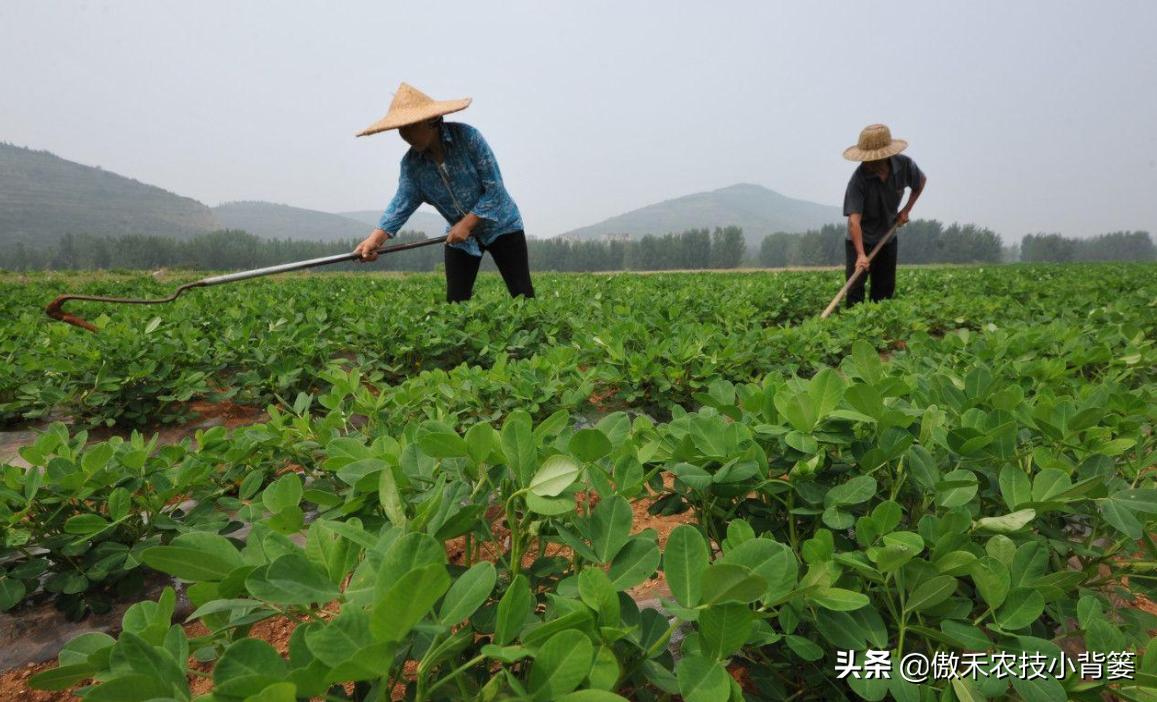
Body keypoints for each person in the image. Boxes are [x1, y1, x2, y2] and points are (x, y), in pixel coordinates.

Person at [353, 83, 535, 303]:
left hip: (503, 225)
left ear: (432, 120)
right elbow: (400, 205)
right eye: (401, 128)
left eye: (411, 126)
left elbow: (495, 191)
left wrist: (467, 224)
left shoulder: (468, 138)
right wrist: (374, 240)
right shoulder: (412, 166)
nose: (406, 134)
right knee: (455, 304)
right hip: (459, 238)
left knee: (523, 297)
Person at [841, 123, 927, 306]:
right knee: (855, 288)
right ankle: (854, 328)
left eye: (872, 159)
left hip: (887, 235)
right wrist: (861, 255)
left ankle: (880, 327)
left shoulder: (904, 165)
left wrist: (906, 210)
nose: (868, 163)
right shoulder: (857, 181)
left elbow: (920, 182)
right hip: (859, 238)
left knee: (884, 289)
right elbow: (854, 222)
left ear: (885, 156)